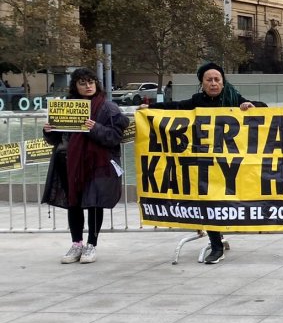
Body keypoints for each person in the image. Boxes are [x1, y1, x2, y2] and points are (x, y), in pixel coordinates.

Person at [142, 62, 264, 264]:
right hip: (205, 164)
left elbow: (262, 108)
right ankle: (216, 246)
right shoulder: (197, 101)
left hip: (230, 165)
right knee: (208, 201)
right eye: (209, 80)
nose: (213, 83)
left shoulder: (234, 99)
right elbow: (176, 107)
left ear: (223, 82)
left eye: (217, 79)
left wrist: (250, 106)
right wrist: (150, 108)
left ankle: (219, 236)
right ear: (202, 83)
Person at [41, 68, 128, 264]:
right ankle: (76, 244)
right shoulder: (66, 107)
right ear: (75, 86)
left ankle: (91, 244)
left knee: (94, 203)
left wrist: (94, 128)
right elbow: (57, 139)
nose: (88, 86)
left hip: (97, 164)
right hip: (69, 163)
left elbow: (115, 137)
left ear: (96, 83)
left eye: (91, 82)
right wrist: (48, 131)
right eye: (82, 83)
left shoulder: (108, 108)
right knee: (74, 203)